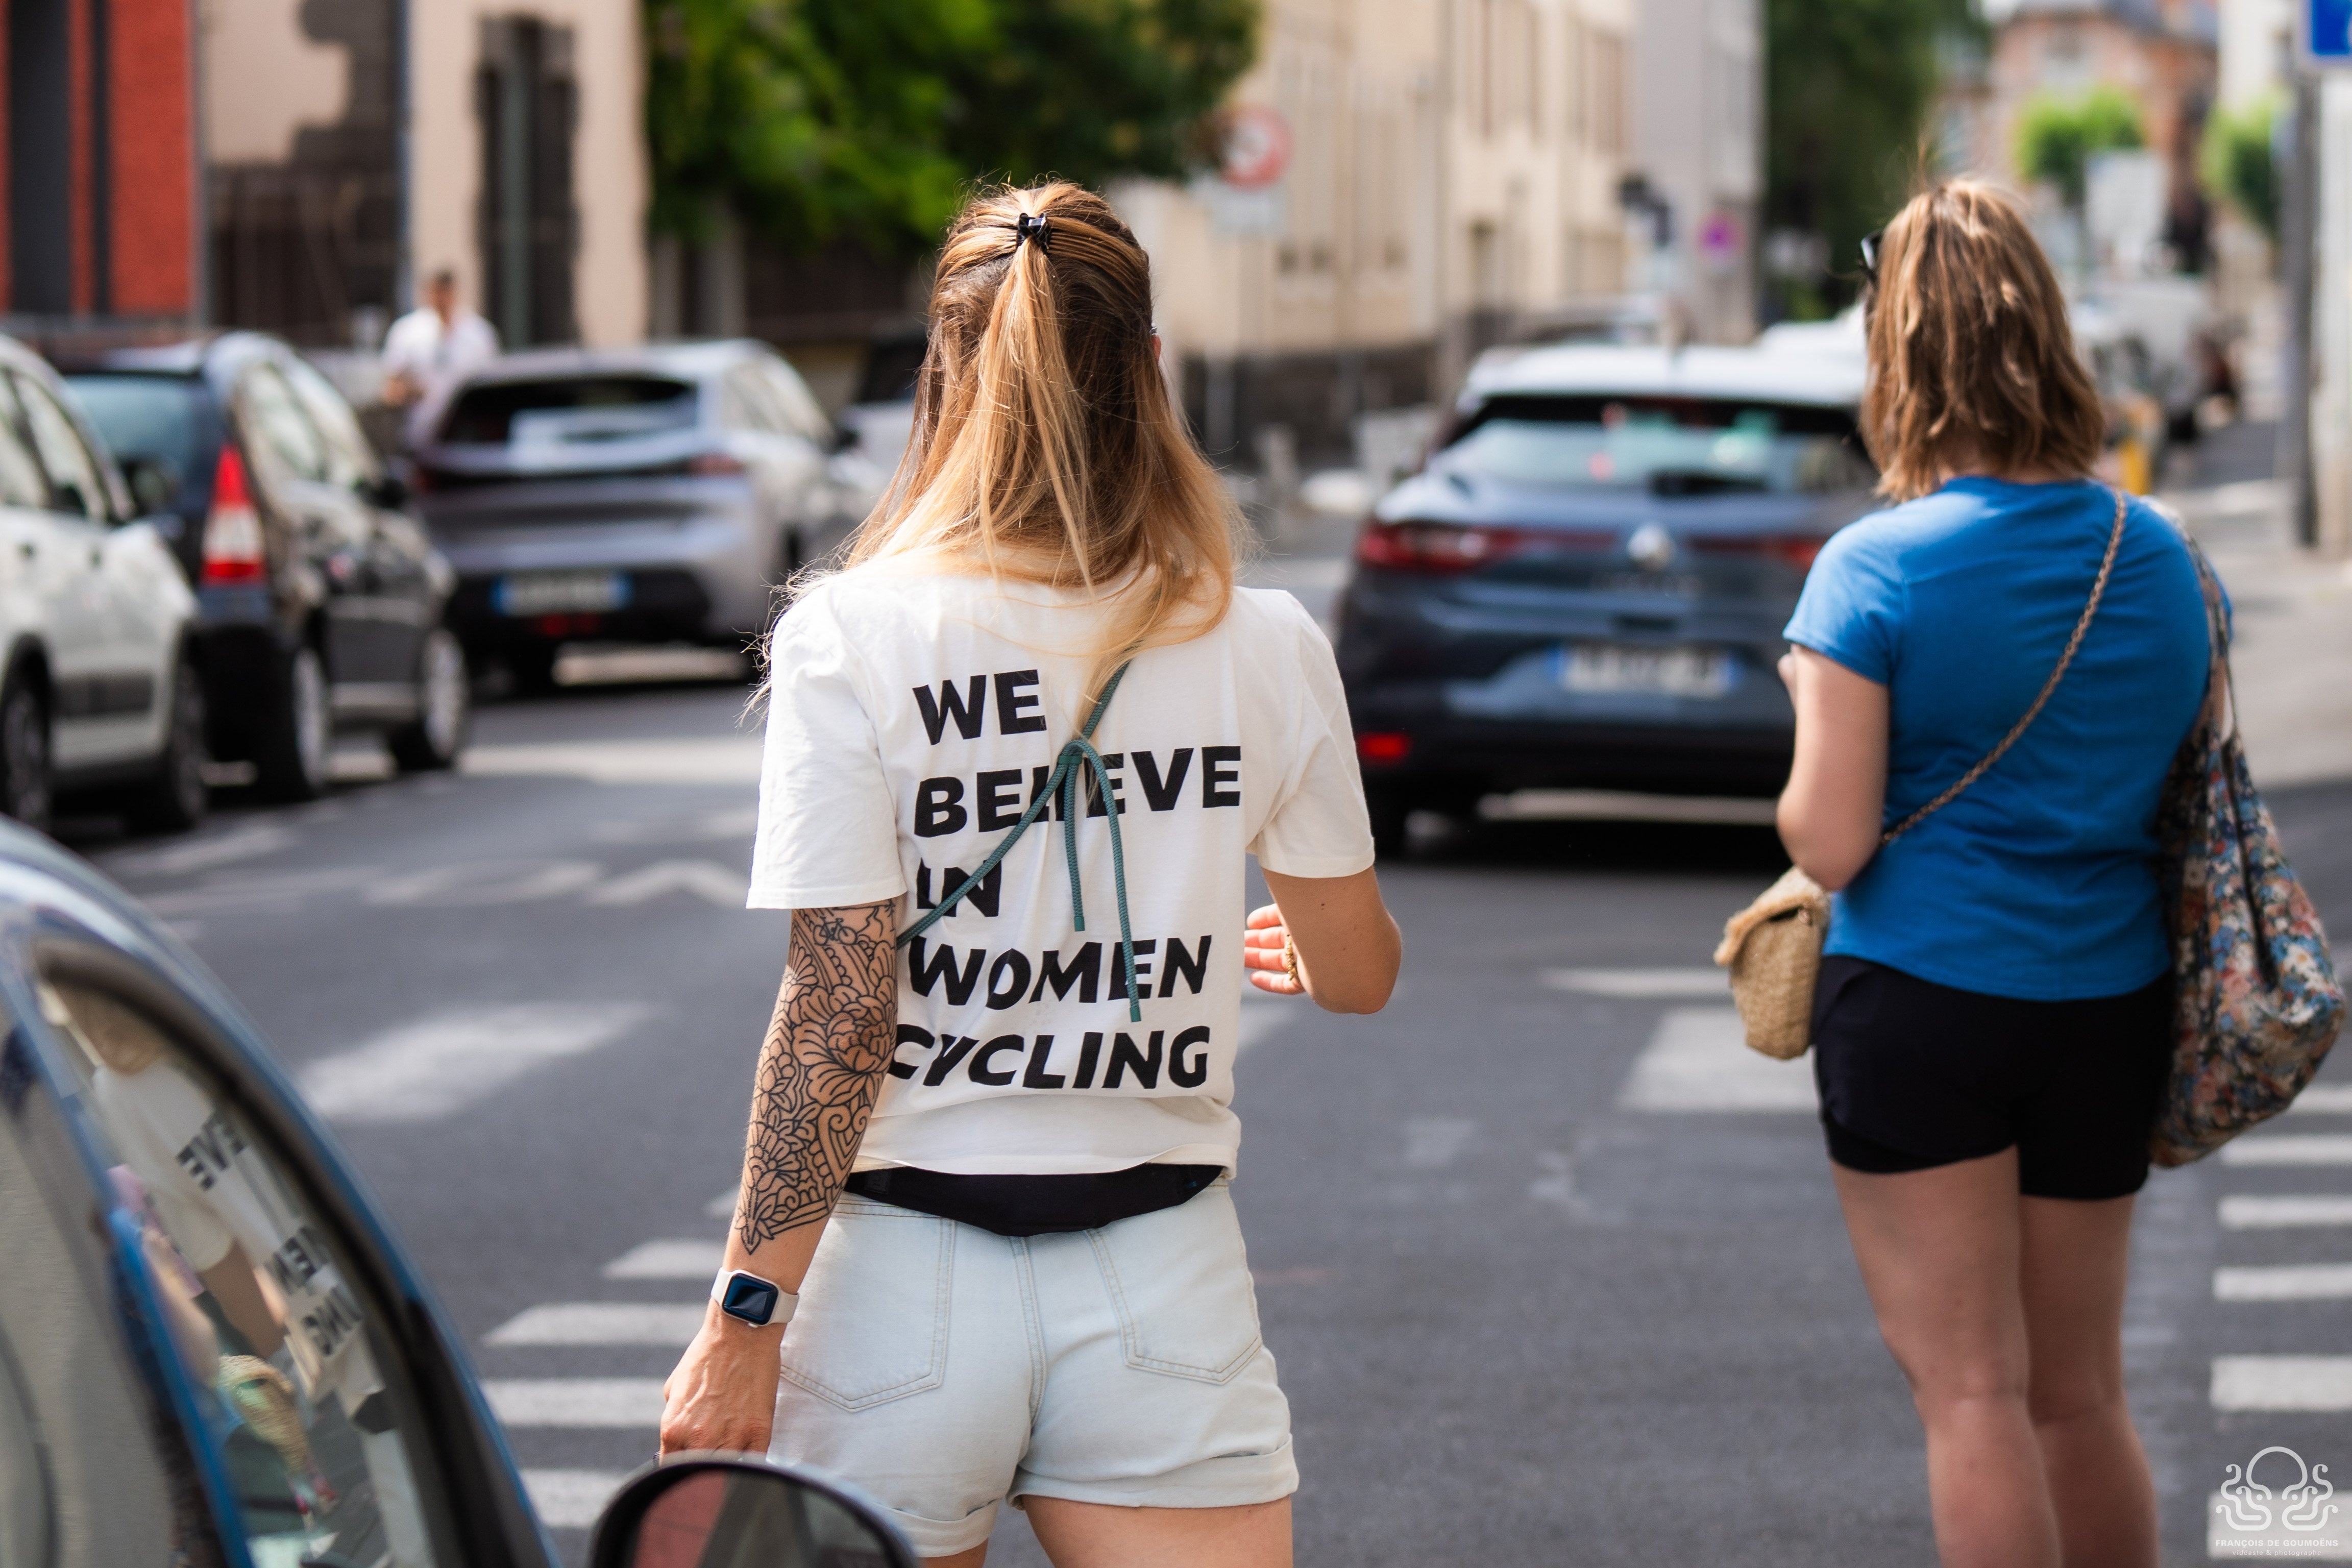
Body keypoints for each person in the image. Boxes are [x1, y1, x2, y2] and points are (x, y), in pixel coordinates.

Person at [657, 181, 1404, 1568]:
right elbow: (1360, 976)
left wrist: (740, 1326)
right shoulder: (1267, 640)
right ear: (1153, 374)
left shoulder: (851, 637)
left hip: (896, 1286)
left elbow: (837, 1016)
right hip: (1161, 1278)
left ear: (943, 377)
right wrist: (1298, 945)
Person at [1775, 179, 2210, 1568]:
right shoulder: (2160, 557)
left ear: (1899, 356)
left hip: (1926, 1001)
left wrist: (1811, 700)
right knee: (2081, 1393)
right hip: (2111, 1004)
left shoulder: (1870, 572)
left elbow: (1828, 840)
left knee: (1971, 1391)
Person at [381, 268, 499, 449]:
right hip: (420, 433)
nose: (441, 299)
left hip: (468, 434)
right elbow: (391, 390)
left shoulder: (480, 334)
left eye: (445, 292)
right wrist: (410, 392)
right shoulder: (406, 332)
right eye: (436, 292)